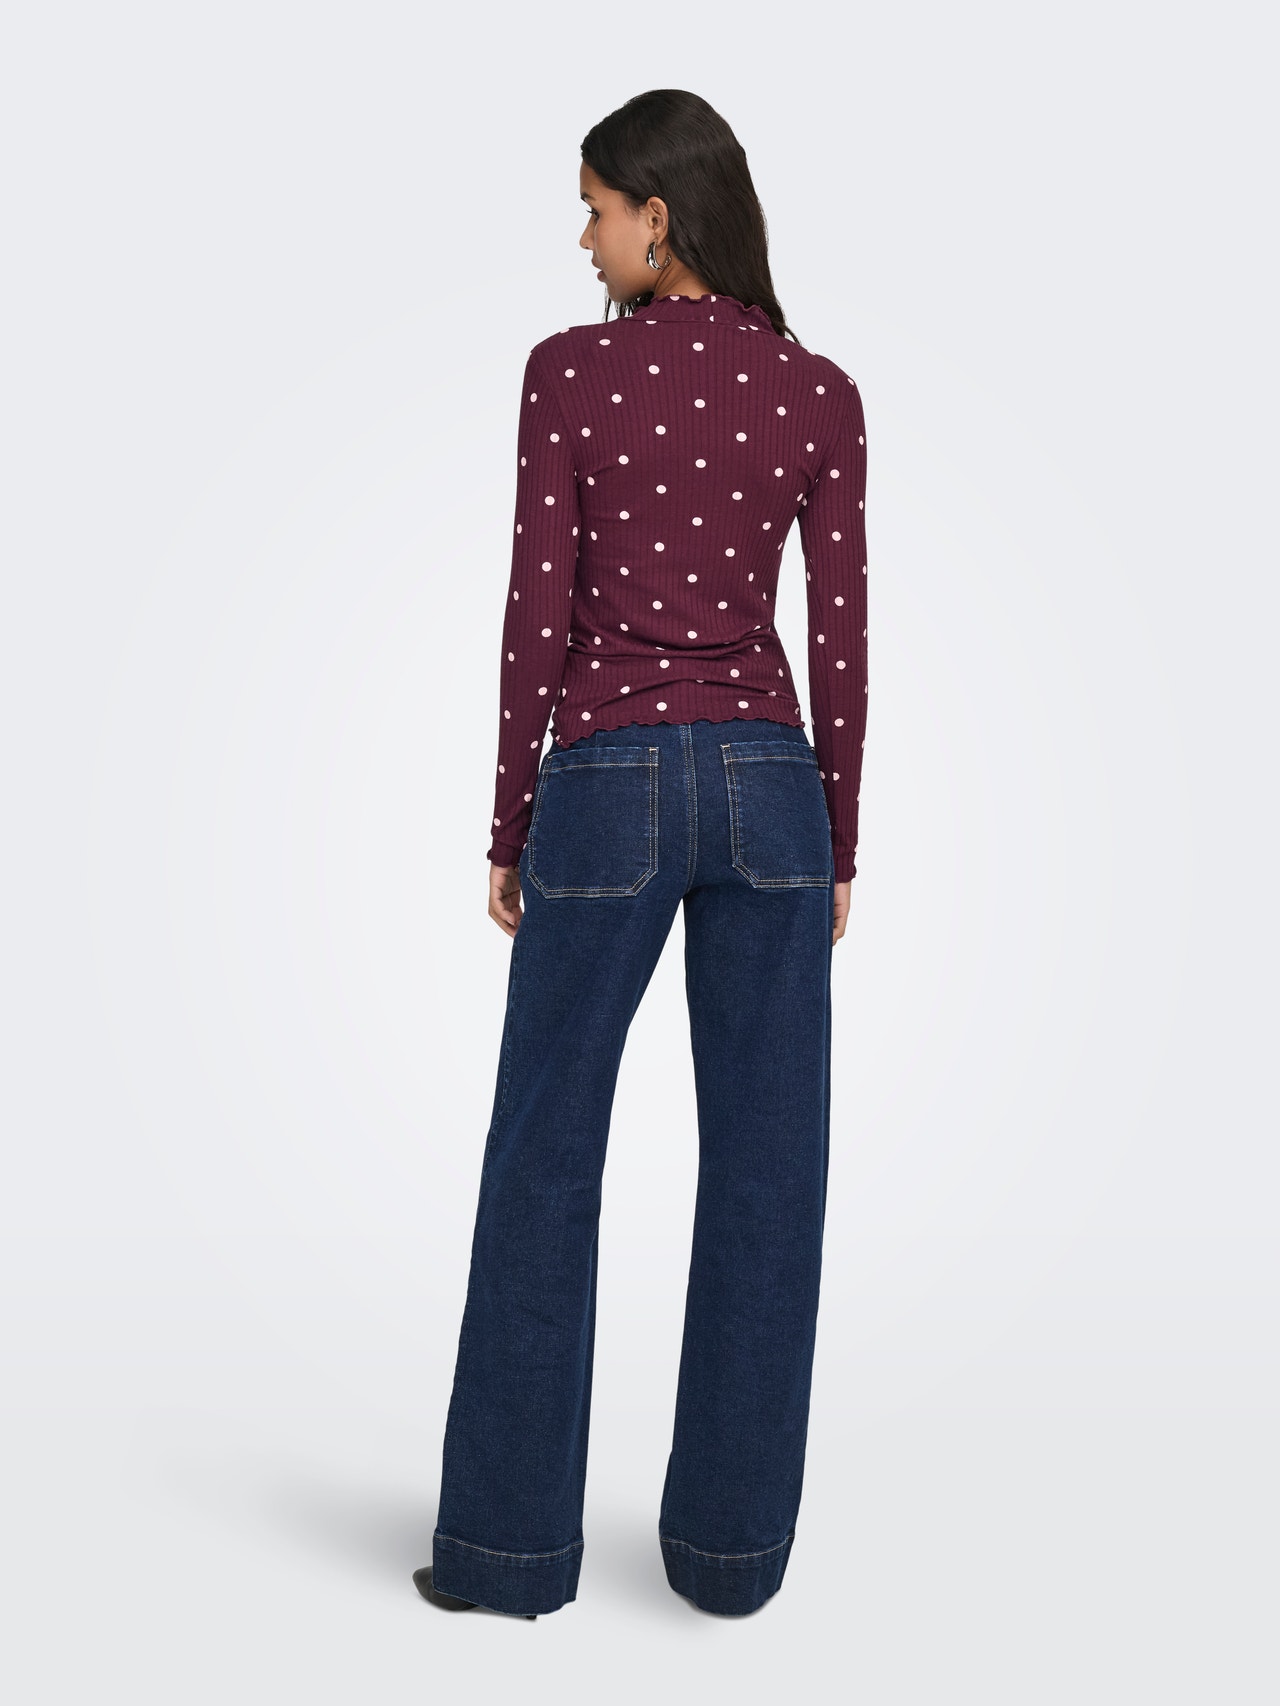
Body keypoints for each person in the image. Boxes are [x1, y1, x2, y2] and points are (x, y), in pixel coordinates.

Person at [413, 88, 869, 1621]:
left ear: (658, 218)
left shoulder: (571, 374)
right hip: (770, 788)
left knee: (544, 1153)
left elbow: (536, 606)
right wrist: (841, 832)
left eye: (597, 207)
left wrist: (510, 818)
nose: (586, 237)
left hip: (607, 781)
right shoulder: (818, 393)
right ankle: (730, 1562)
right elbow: (841, 636)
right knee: (769, 1169)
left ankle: (505, 1551)